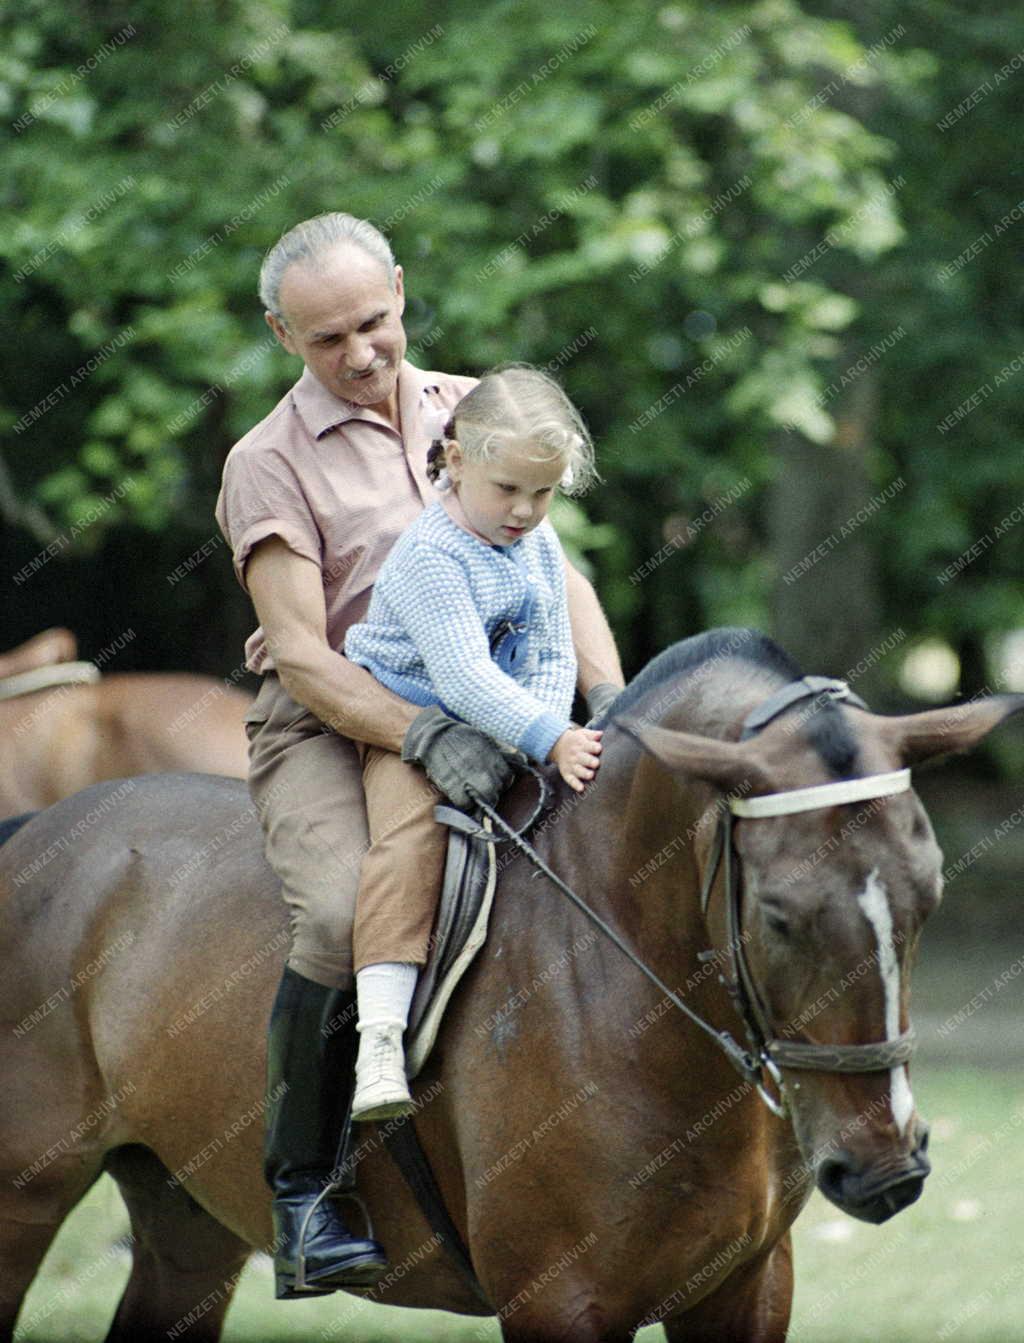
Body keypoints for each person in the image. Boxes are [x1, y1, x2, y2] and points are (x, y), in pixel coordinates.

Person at [214, 211, 623, 1300]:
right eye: (325, 338)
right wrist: (423, 732)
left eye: (373, 322)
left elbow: (557, 575)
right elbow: (301, 651)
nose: (358, 353)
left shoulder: (475, 409)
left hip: (503, 702)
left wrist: (615, 703)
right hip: (336, 717)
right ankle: (305, 1192)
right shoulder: (265, 462)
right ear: (280, 335)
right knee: (348, 912)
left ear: (400, 289)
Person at [343, 365, 604, 1122]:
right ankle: (381, 1038)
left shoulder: (538, 542)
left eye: (543, 492)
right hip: (412, 721)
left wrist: (541, 740)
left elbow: (554, 650)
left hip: (511, 722)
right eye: (507, 490)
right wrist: (552, 735)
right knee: (410, 842)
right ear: (457, 461)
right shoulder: (433, 556)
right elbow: (460, 676)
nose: (524, 510)